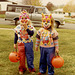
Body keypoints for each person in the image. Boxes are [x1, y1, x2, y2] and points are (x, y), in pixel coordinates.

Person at [14, 10, 36, 75]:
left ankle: (31, 68)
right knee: (21, 57)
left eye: (26, 18)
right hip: (20, 43)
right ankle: (22, 68)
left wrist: (26, 28)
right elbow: (15, 36)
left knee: (30, 56)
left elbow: (31, 34)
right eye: (22, 18)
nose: (24, 20)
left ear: (28, 19)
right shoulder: (17, 28)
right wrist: (14, 43)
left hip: (28, 43)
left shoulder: (31, 27)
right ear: (20, 19)